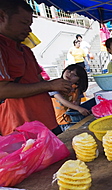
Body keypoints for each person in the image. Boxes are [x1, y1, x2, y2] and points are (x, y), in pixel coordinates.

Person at [0, 0, 72, 136]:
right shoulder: (2, 47)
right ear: (2, 16)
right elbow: (2, 90)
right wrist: (49, 86)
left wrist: (58, 86)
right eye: (23, 23)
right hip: (22, 127)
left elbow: (39, 81)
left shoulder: (25, 50)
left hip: (47, 122)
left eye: (29, 24)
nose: (29, 30)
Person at [50, 64, 90, 131]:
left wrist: (76, 104)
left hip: (71, 120)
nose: (70, 74)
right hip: (58, 122)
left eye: (75, 75)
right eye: (69, 71)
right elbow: (62, 100)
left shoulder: (77, 89)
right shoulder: (55, 86)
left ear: (78, 80)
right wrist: (78, 108)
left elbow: (77, 101)